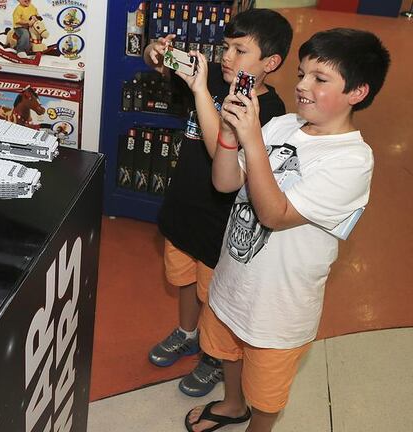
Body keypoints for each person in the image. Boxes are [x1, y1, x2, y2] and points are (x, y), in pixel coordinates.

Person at [185, 28, 390, 432]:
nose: (302, 86)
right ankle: (230, 405)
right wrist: (229, 135)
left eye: (320, 78)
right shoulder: (281, 126)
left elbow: (274, 214)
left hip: (279, 308)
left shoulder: (352, 161)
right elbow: (226, 182)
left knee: (266, 390)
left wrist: (251, 139)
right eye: (301, 74)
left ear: (357, 92)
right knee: (228, 350)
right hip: (234, 279)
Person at [142, 9, 293, 398]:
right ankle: (187, 333)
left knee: (217, 300)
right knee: (184, 281)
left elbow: (219, 152)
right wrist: (155, 51)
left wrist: (200, 92)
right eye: (226, 47)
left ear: (270, 63)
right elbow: (153, 59)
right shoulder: (210, 75)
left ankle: (214, 356)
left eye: (241, 50)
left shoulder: (269, 113)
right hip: (184, 210)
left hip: (221, 227)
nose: (227, 57)